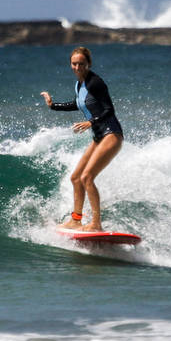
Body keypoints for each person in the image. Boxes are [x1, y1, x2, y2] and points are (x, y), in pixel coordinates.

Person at [40, 46, 124, 231]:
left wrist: (91, 122)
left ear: (89, 64)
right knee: (76, 178)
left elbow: (109, 110)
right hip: (98, 136)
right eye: (74, 64)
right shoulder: (80, 84)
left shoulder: (96, 82)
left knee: (87, 177)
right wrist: (53, 105)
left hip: (111, 134)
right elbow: (77, 104)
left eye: (81, 64)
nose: (77, 67)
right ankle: (76, 220)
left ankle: (96, 224)